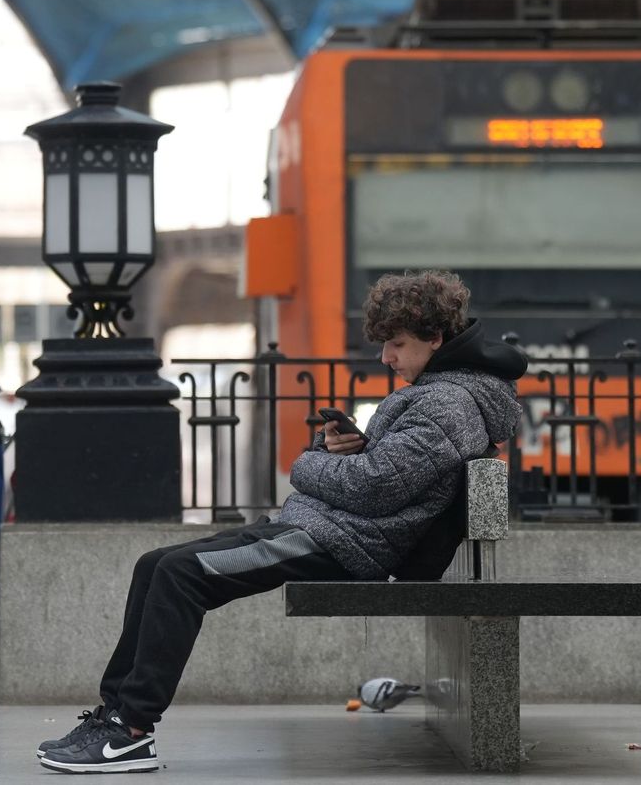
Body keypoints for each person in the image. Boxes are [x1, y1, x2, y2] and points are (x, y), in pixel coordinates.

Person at [36, 269, 527, 774]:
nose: (387, 358)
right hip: (327, 528)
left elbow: (376, 486)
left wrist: (309, 463)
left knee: (182, 576)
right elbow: (385, 473)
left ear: (436, 339)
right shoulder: (440, 393)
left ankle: (131, 733)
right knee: (154, 563)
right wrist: (344, 448)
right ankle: (114, 716)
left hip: (348, 544)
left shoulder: (448, 403)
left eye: (397, 345)